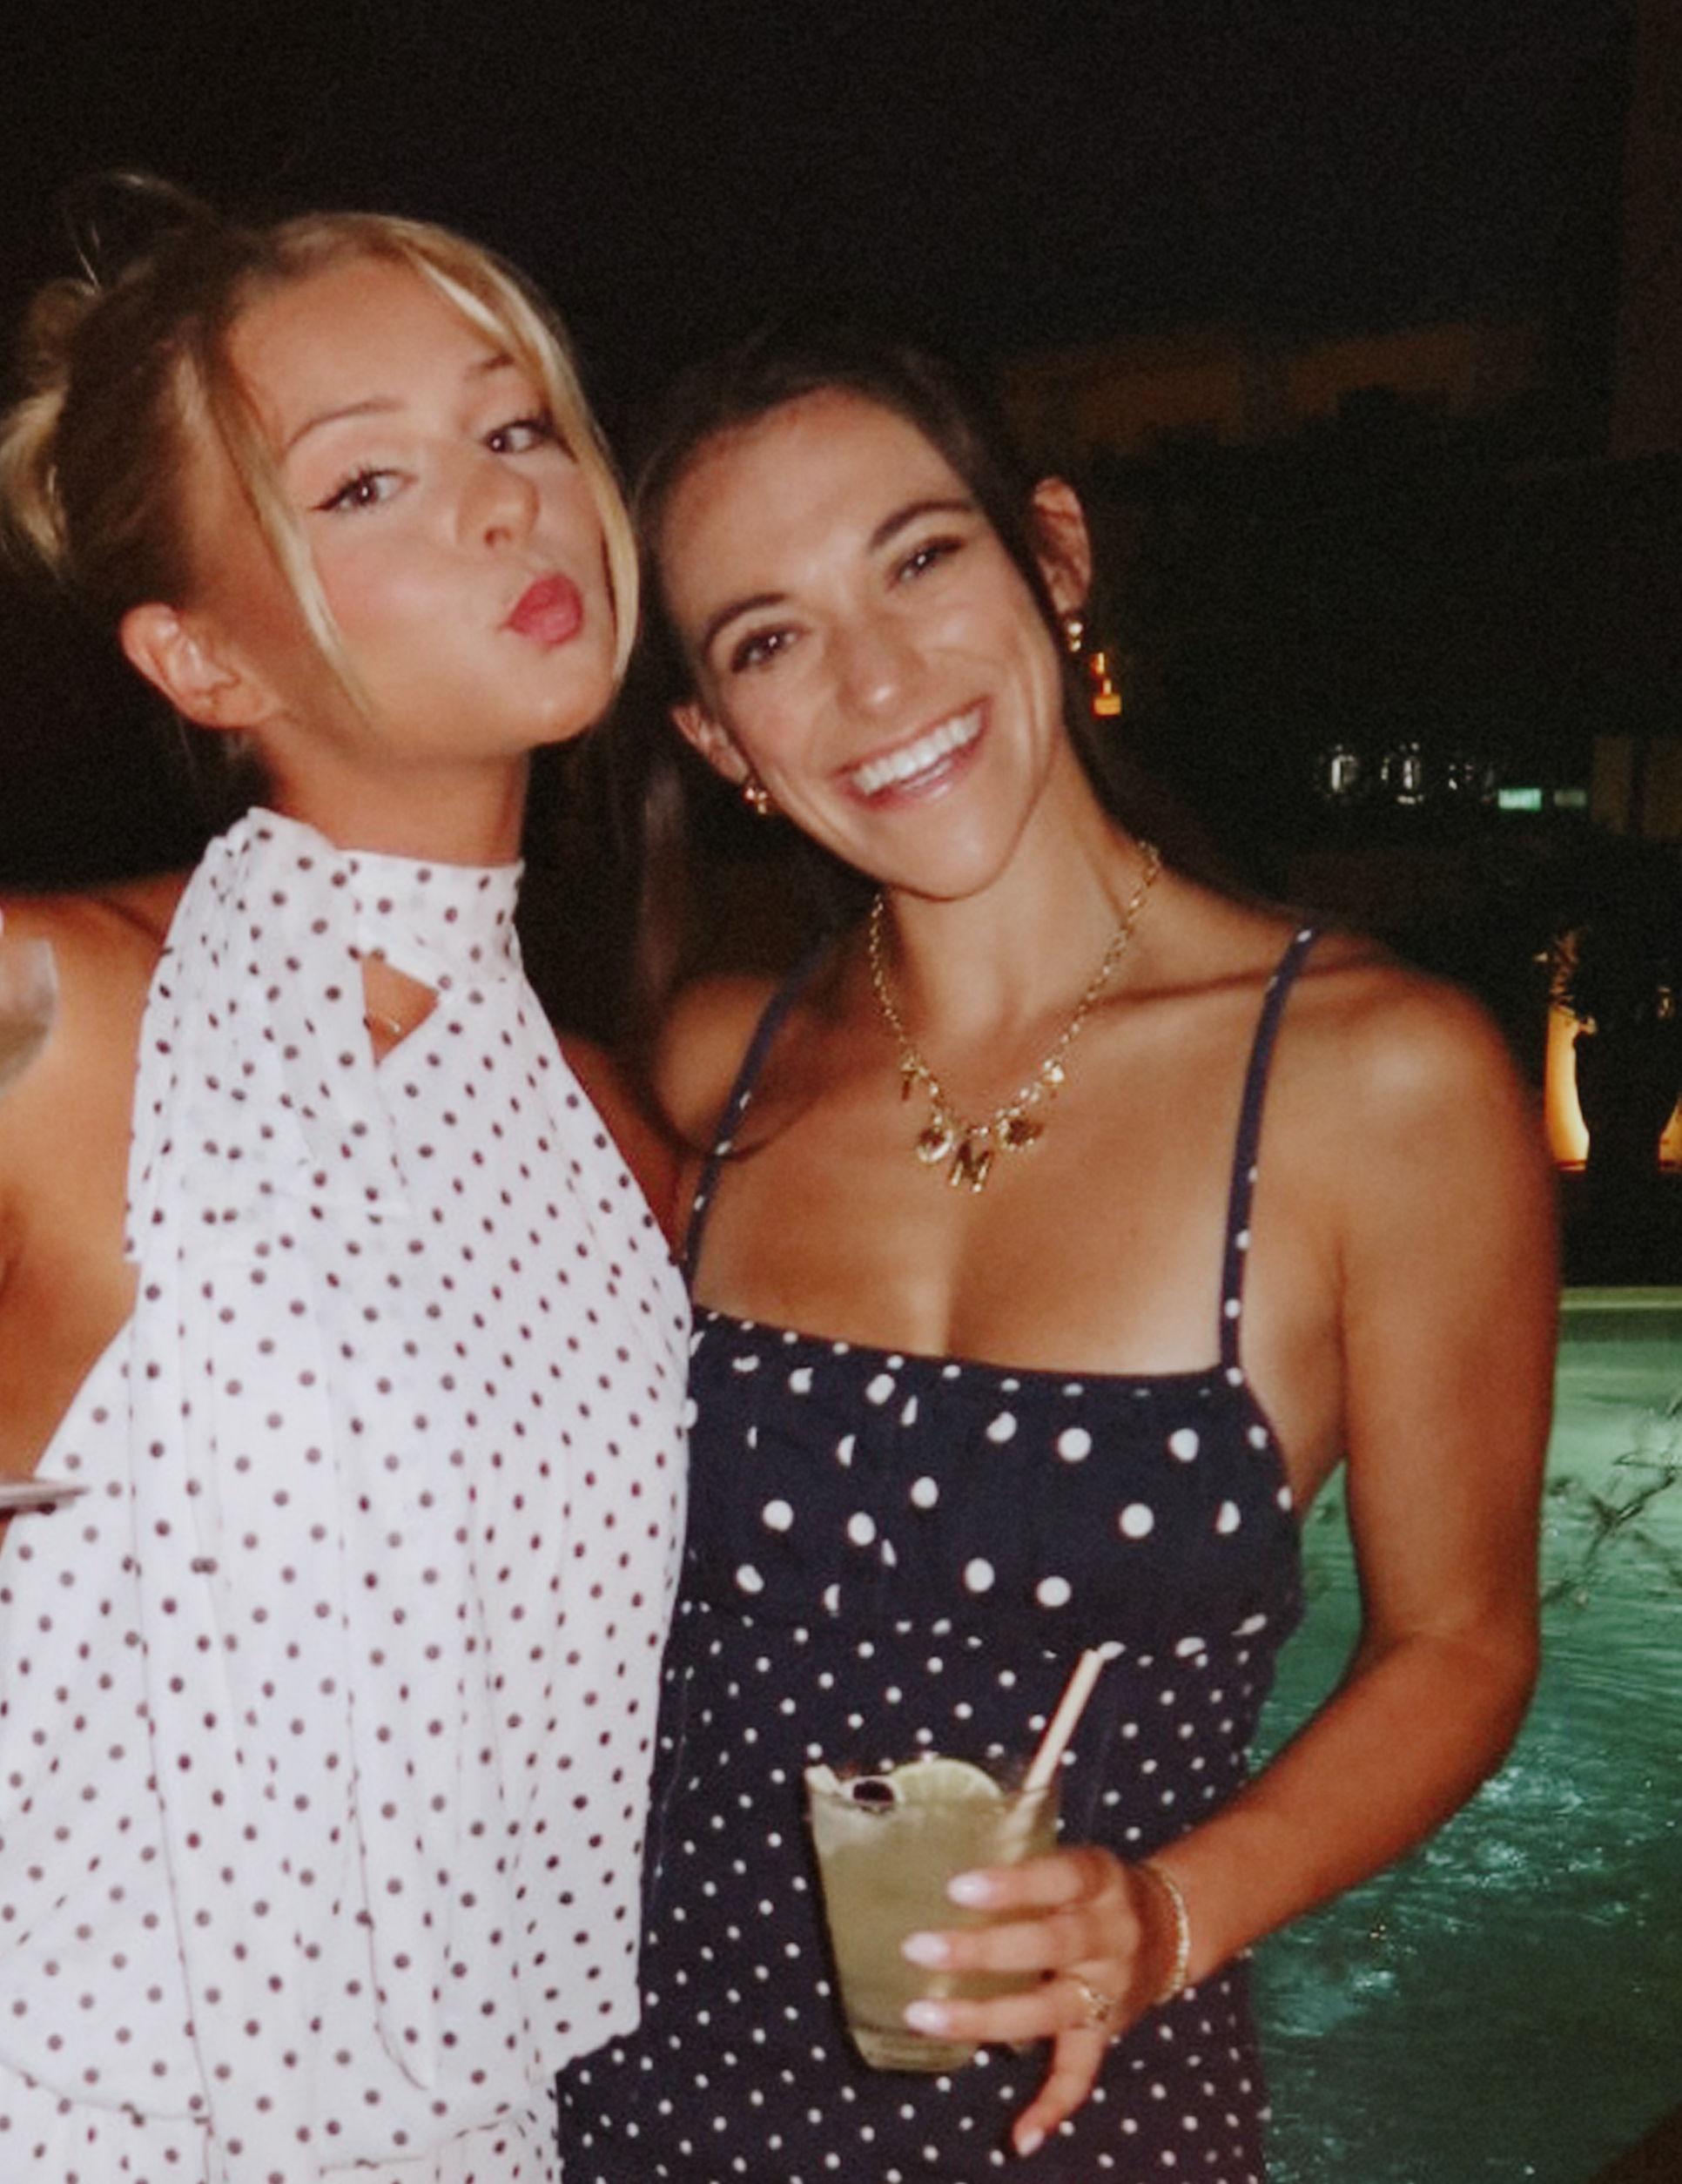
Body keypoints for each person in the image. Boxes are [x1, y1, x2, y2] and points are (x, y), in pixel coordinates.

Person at [0, 182, 690, 2183]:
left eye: (515, 425)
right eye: (366, 483)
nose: (502, 505)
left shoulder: (619, 1137)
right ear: (199, 658)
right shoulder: (37, 1003)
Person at [555, 322, 1557, 2180]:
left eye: (920, 558)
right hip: (650, 2093)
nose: (874, 677)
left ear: (1056, 557)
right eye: (768, 640)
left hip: (1084, 2117)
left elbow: (1460, 1644)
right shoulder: (714, 1064)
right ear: (717, 740)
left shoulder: (1377, 1082)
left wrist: (1170, 1914)